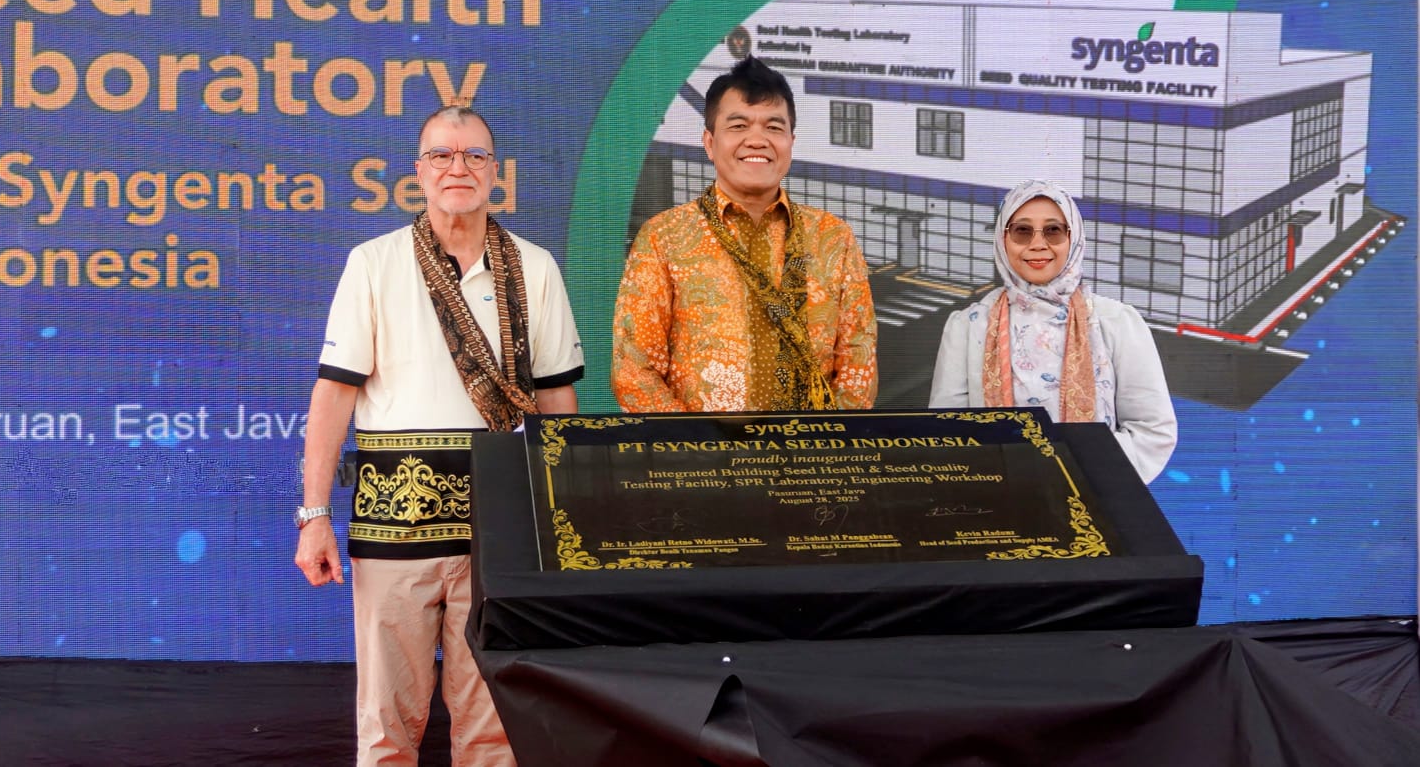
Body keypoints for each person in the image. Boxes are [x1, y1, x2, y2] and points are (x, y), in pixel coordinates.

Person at [294, 105, 584, 767]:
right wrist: (314, 516)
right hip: (395, 528)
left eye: (474, 155)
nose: (459, 167)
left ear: (495, 172)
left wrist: (560, 517)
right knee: (386, 727)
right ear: (419, 172)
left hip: (502, 530)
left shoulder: (534, 267)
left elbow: (555, 400)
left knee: (493, 729)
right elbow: (333, 394)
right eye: (442, 155)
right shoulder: (374, 263)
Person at [612, 55, 877, 412]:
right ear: (709, 143)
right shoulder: (664, 237)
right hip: (697, 447)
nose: (757, 140)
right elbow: (634, 370)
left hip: (813, 445)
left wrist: (823, 440)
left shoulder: (833, 238)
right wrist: (698, 443)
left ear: (791, 142)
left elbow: (858, 365)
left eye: (773, 127)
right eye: (738, 126)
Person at [929, 178, 1177, 483]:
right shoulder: (968, 326)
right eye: (1022, 231)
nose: (1037, 244)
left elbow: (1152, 432)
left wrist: (1074, 473)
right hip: (996, 501)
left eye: (1053, 230)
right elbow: (944, 433)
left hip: (1096, 499)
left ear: (1074, 238)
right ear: (1002, 239)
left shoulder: (1116, 322)